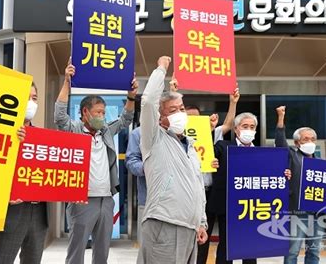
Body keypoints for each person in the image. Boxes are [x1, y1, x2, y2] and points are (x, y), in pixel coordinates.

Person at [137, 56, 219, 264]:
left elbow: (197, 185)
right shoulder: (153, 138)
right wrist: (161, 69)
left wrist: (201, 222)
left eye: (181, 108)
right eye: (172, 111)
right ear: (160, 118)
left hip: (189, 228)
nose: (180, 113)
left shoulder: (190, 146)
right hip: (164, 224)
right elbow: (147, 102)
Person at [54, 60, 137, 264]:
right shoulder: (73, 129)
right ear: (85, 113)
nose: (101, 115)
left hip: (106, 200)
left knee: (102, 250)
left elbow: (126, 119)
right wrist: (66, 81)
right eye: (97, 112)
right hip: (81, 201)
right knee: (77, 249)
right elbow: (59, 116)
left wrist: (131, 95)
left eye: (103, 112)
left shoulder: (106, 131)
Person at [210, 111, 291, 264]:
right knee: (226, 247)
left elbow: (273, 175)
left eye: (252, 127)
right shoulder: (223, 146)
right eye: (244, 126)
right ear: (236, 129)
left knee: (250, 248)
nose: (248, 129)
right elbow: (206, 155)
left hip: (252, 208)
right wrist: (212, 160)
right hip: (228, 207)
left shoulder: (262, 153)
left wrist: (284, 173)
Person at [0, 82, 49, 264]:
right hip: (10, 212)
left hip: (38, 213)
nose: (31, 103)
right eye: (26, 98)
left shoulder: (43, 137)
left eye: (34, 98)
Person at [275, 106, 326, 264]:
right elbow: (280, 141)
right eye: (305, 139)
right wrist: (281, 117)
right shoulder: (292, 156)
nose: (310, 142)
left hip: (317, 215)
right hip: (298, 213)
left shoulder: (321, 164)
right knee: (292, 252)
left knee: (314, 252)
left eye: (312, 139)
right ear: (297, 142)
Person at [125, 77, 179, 246]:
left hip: (176, 200)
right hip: (149, 200)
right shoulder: (138, 134)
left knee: (172, 249)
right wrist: (149, 167)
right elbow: (131, 161)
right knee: (149, 249)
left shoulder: (177, 133)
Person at [192, 89, 240, 264]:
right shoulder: (179, 136)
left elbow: (228, 124)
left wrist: (233, 102)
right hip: (194, 193)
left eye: (196, 117)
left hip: (214, 191)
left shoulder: (210, 131)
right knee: (199, 237)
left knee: (222, 234)